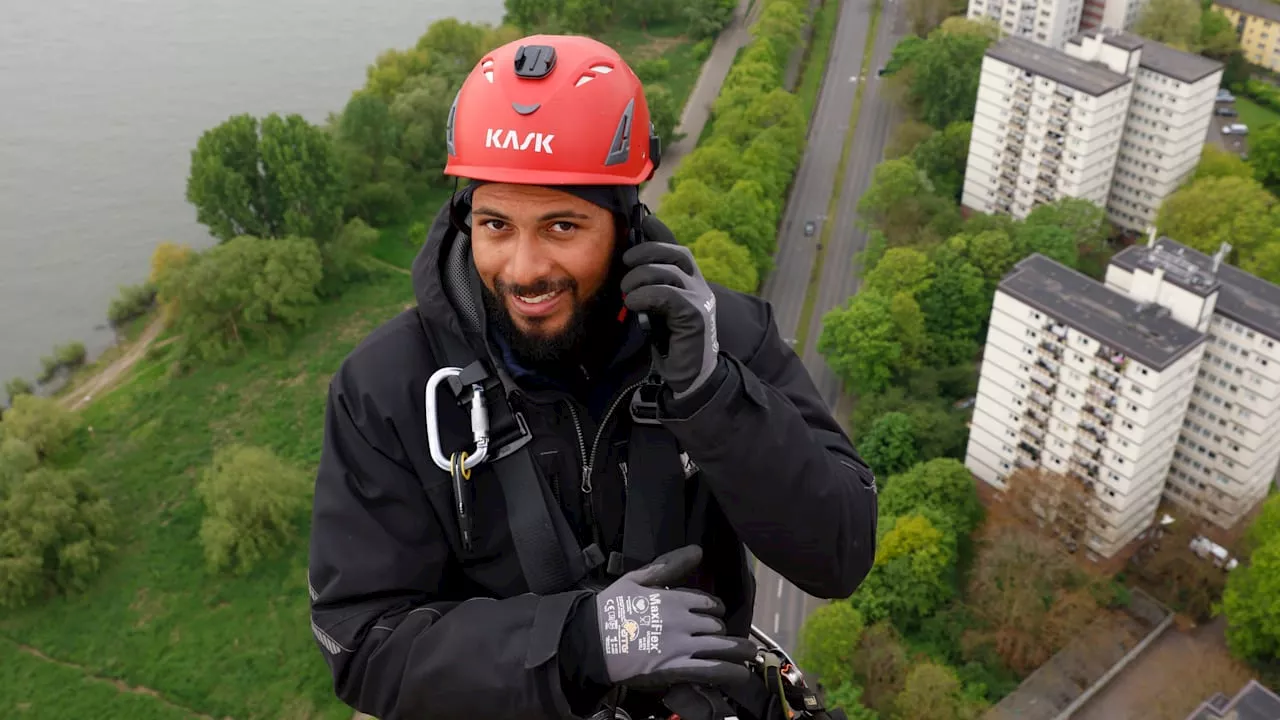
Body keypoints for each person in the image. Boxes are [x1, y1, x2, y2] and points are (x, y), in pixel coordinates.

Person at [307, 33, 879, 720]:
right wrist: (578, 643)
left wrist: (712, 396)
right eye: (494, 224)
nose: (522, 269)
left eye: (561, 226)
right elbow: (363, 646)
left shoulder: (721, 336)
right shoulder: (391, 390)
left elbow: (840, 552)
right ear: (465, 217)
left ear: (623, 217)